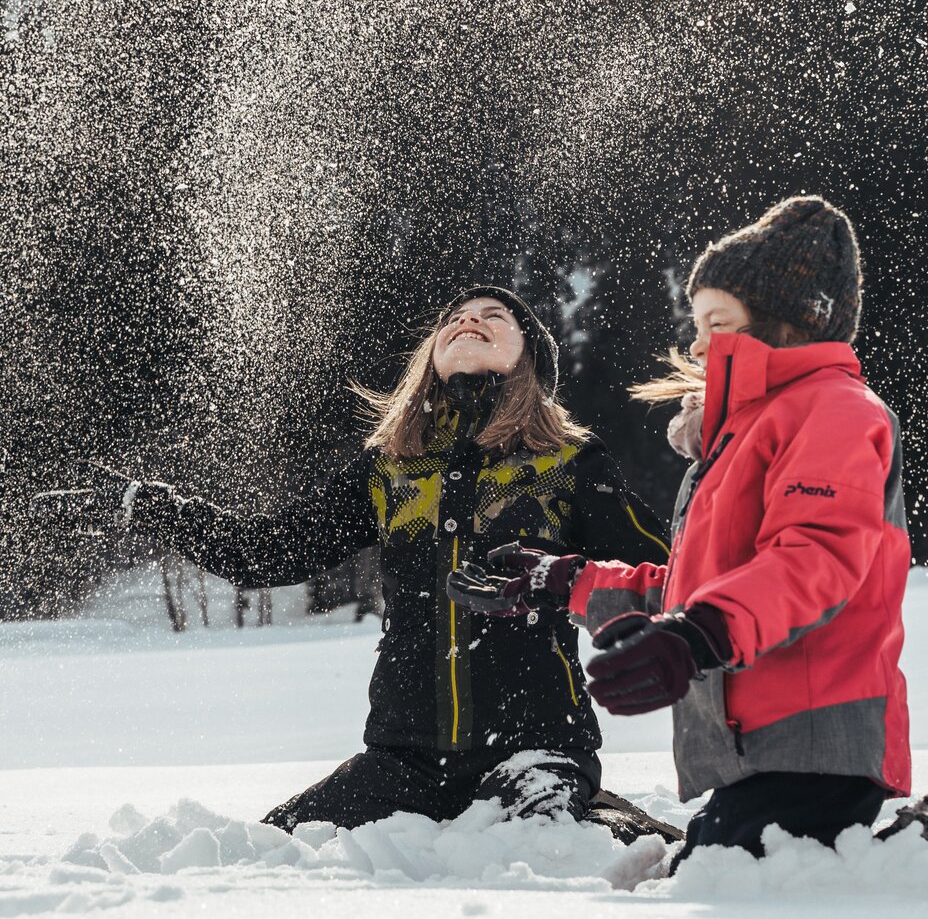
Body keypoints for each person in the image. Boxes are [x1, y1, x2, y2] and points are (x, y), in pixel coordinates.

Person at [449, 201, 928, 888]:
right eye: (695, 326)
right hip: (752, 743)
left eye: (716, 325)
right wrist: (563, 580)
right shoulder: (735, 442)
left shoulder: (836, 412)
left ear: (791, 322)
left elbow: (815, 559)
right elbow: (686, 594)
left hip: (816, 740)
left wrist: (696, 635)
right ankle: (917, 864)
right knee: (709, 877)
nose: (697, 347)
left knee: (733, 889)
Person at [33, 286, 671, 834]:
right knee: (274, 855)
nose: (470, 319)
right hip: (402, 758)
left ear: (529, 361)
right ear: (430, 358)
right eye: (455, 317)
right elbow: (268, 552)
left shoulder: (571, 463)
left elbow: (665, 577)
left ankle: (628, 826)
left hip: (535, 750)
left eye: (496, 317)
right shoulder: (388, 470)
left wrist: (563, 583)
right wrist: (150, 508)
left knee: (545, 851)